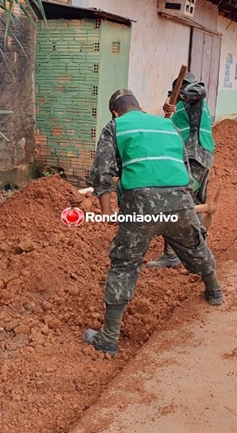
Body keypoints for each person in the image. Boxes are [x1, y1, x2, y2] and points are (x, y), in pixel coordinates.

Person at [83, 89, 223, 356]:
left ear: (115, 112)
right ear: (139, 107)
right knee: (194, 246)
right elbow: (183, 166)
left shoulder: (116, 126)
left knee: (124, 264)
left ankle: (109, 338)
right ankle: (215, 291)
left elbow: (102, 173)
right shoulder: (168, 125)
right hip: (181, 201)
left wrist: (107, 211)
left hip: (141, 207)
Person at [147, 72, 215, 268]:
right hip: (199, 156)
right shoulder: (182, 108)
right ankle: (198, 245)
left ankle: (172, 253)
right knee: (195, 202)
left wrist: (180, 97)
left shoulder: (194, 98)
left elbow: (199, 90)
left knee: (177, 201)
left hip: (194, 155)